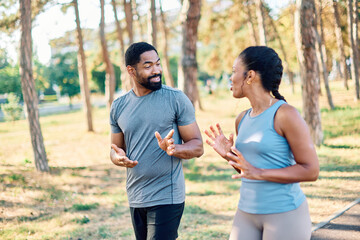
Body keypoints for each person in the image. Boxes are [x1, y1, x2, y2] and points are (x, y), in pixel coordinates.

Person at [205, 46, 319, 240]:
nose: (230, 78)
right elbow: (249, 170)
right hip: (246, 213)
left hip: (285, 214)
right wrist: (229, 156)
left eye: (233, 71)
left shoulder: (285, 114)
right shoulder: (241, 119)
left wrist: (259, 173)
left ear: (250, 76)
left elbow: (311, 170)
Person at [110, 42, 203, 240]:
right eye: (148, 66)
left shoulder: (175, 99)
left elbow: (197, 145)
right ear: (131, 70)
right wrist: (117, 157)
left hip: (167, 195)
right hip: (136, 196)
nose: (157, 70)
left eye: (158, 64)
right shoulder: (119, 106)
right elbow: (116, 149)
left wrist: (174, 148)